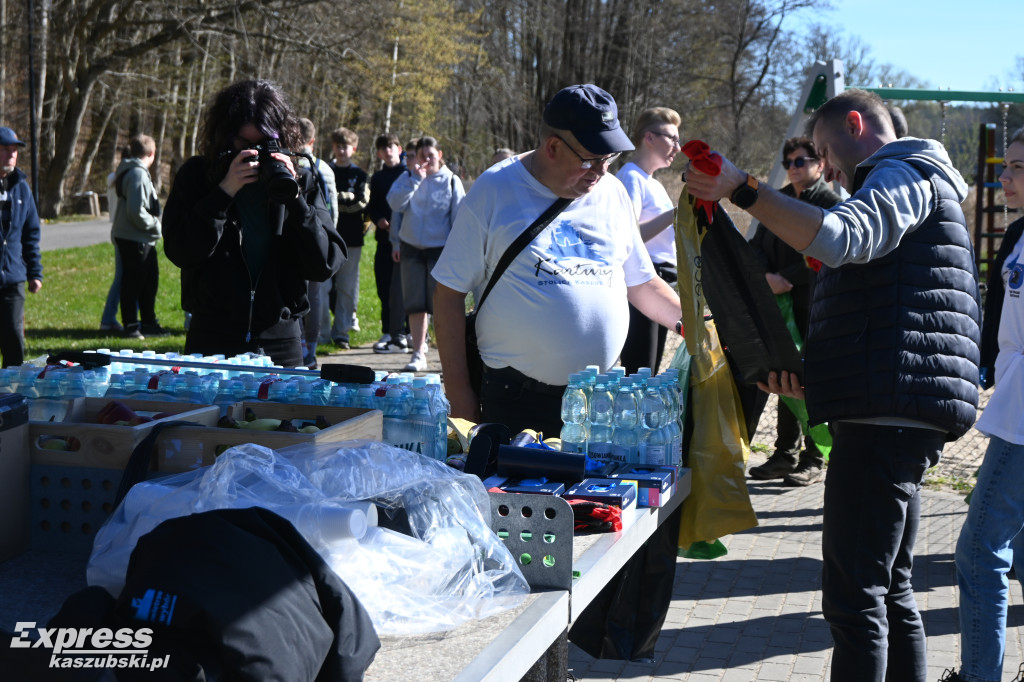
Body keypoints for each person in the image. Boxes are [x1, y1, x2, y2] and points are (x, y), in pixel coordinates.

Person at [684, 88, 980, 682]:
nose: (825, 166)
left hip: (884, 420)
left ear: (856, 123)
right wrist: (812, 375)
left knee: (854, 598)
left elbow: (844, 239)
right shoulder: (905, 180)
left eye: (822, 150)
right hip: (891, 411)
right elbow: (885, 310)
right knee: (889, 590)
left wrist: (744, 188)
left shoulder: (903, 172)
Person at [432, 84, 682, 436]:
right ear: (552, 147)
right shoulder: (495, 189)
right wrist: (459, 394)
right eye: (590, 160)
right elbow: (448, 293)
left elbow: (641, 283)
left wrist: (696, 325)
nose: (600, 171)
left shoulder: (613, 192)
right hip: (517, 399)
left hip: (599, 402)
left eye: (608, 159)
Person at [162, 79, 346, 368]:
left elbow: (324, 264)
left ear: (282, 139)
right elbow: (181, 251)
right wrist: (223, 193)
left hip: (280, 341)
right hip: (212, 338)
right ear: (225, 138)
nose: (256, 154)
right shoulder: (198, 177)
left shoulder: (301, 181)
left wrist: (295, 199)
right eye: (244, 145)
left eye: (264, 144)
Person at [942, 127, 1024, 682]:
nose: (1005, 178)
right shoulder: (1018, 231)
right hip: (1013, 400)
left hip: (1022, 419)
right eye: (1005, 167)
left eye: (1018, 168)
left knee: (979, 550)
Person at [746, 136, 840, 486]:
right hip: (780, 304)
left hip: (815, 305)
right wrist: (766, 278)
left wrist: (785, 278)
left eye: (800, 161)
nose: (793, 168)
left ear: (820, 164)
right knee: (785, 377)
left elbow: (827, 251)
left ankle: (814, 458)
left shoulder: (830, 203)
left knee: (812, 381)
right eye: (789, 163)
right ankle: (785, 454)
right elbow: (756, 245)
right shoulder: (779, 199)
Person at [387, 135, 465, 373]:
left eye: (431, 155)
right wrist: (415, 180)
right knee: (415, 304)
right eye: (422, 156)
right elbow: (394, 204)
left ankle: (447, 357)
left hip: (440, 250)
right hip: (410, 247)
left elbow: (459, 218)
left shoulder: (451, 181)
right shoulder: (408, 177)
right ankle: (418, 353)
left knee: (442, 305)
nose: (426, 160)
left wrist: (457, 252)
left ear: (439, 155)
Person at [616, 106, 680, 375]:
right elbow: (630, 236)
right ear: (649, 138)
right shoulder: (631, 177)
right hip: (643, 281)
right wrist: (676, 214)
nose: (678, 147)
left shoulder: (653, 183)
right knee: (640, 370)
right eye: (672, 138)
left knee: (650, 370)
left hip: (662, 279)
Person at [111, 133, 168, 340]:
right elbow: (135, 211)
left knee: (149, 281)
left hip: (140, 237)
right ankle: (131, 326)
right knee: (133, 283)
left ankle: (148, 323)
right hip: (134, 237)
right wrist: (156, 225)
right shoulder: (137, 173)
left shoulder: (135, 170)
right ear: (152, 154)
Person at [296, 117, 338, 367]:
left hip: (295, 239)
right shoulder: (324, 168)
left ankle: (301, 346)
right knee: (315, 295)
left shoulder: (290, 163)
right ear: (313, 140)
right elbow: (332, 211)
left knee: (296, 293)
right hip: (319, 239)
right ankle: (311, 350)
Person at [0, 126, 42, 368]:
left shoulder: (22, 188)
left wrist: (35, 272)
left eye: (14, 150)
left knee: (14, 341)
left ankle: (11, 389)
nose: (11, 155)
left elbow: (31, 234)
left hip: (13, 278)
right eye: (5, 149)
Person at [326, 127, 369, 350]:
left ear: (354, 148)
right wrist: (345, 198)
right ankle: (321, 333)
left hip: (352, 238)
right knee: (323, 287)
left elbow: (360, 203)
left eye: (346, 147)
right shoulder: (325, 170)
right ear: (333, 147)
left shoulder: (360, 175)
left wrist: (337, 200)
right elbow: (323, 201)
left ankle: (341, 333)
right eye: (338, 146)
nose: (342, 151)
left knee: (346, 288)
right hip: (326, 237)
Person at [367, 132, 410, 354]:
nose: (387, 151)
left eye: (391, 147)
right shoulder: (377, 178)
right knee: (384, 288)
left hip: (407, 241)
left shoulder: (408, 174)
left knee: (407, 289)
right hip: (384, 241)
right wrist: (380, 220)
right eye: (383, 148)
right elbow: (372, 207)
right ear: (379, 153)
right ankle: (387, 331)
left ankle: (409, 331)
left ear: (399, 149)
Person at [100, 145, 130, 333]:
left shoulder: (114, 177)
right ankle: (108, 318)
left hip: (116, 228)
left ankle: (112, 318)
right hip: (125, 230)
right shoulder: (127, 177)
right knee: (122, 277)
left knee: (123, 276)